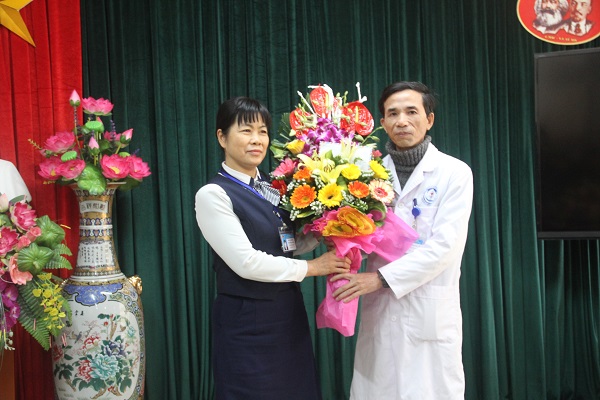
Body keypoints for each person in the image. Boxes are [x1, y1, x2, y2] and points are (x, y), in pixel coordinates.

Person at [195, 96, 350, 400]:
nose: (257, 140)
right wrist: (314, 268)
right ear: (222, 137)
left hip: (287, 315)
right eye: (246, 131)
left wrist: (324, 230)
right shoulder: (214, 194)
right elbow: (247, 262)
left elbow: (285, 244)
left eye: (263, 131)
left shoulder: (274, 185)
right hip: (246, 321)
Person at [331, 82, 473, 399]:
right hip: (381, 311)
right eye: (393, 114)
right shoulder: (364, 174)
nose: (402, 121)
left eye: (411, 112)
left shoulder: (454, 172)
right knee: (378, 388)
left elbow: (445, 248)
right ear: (382, 123)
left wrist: (380, 279)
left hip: (427, 309)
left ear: (429, 119)